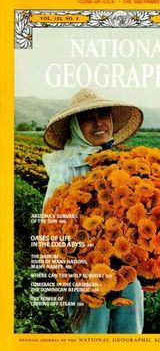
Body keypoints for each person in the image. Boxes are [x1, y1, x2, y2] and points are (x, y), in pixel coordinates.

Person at [42, 88, 144, 334]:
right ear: (76, 126)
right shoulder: (65, 167)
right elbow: (51, 224)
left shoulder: (118, 162)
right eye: (89, 118)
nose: (99, 123)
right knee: (92, 333)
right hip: (85, 270)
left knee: (129, 328)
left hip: (124, 266)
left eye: (103, 115)